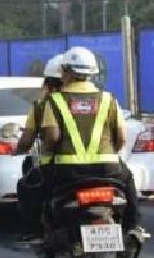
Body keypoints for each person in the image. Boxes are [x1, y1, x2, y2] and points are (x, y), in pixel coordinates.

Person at [41, 46, 141, 233]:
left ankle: (43, 231)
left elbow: (52, 137)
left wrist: (48, 155)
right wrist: (109, 153)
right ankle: (133, 226)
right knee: (128, 179)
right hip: (107, 169)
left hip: (68, 171)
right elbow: (121, 138)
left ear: (67, 72)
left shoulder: (54, 100)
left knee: (43, 190)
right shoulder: (108, 99)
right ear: (91, 74)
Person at [15, 54, 63, 241]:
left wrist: (19, 149)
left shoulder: (45, 105)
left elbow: (39, 140)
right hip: (105, 167)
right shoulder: (102, 101)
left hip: (58, 168)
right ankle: (132, 224)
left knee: (25, 185)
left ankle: (33, 230)